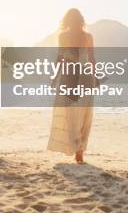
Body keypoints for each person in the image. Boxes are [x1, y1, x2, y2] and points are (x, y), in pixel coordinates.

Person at [47, 8, 97, 164]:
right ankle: (79, 151)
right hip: (85, 78)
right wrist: (95, 77)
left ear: (67, 21)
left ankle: (77, 148)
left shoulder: (63, 36)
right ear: (81, 20)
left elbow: (60, 59)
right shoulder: (88, 37)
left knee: (70, 116)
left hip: (69, 77)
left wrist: (55, 77)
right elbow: (92, 59)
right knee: (84, 116)